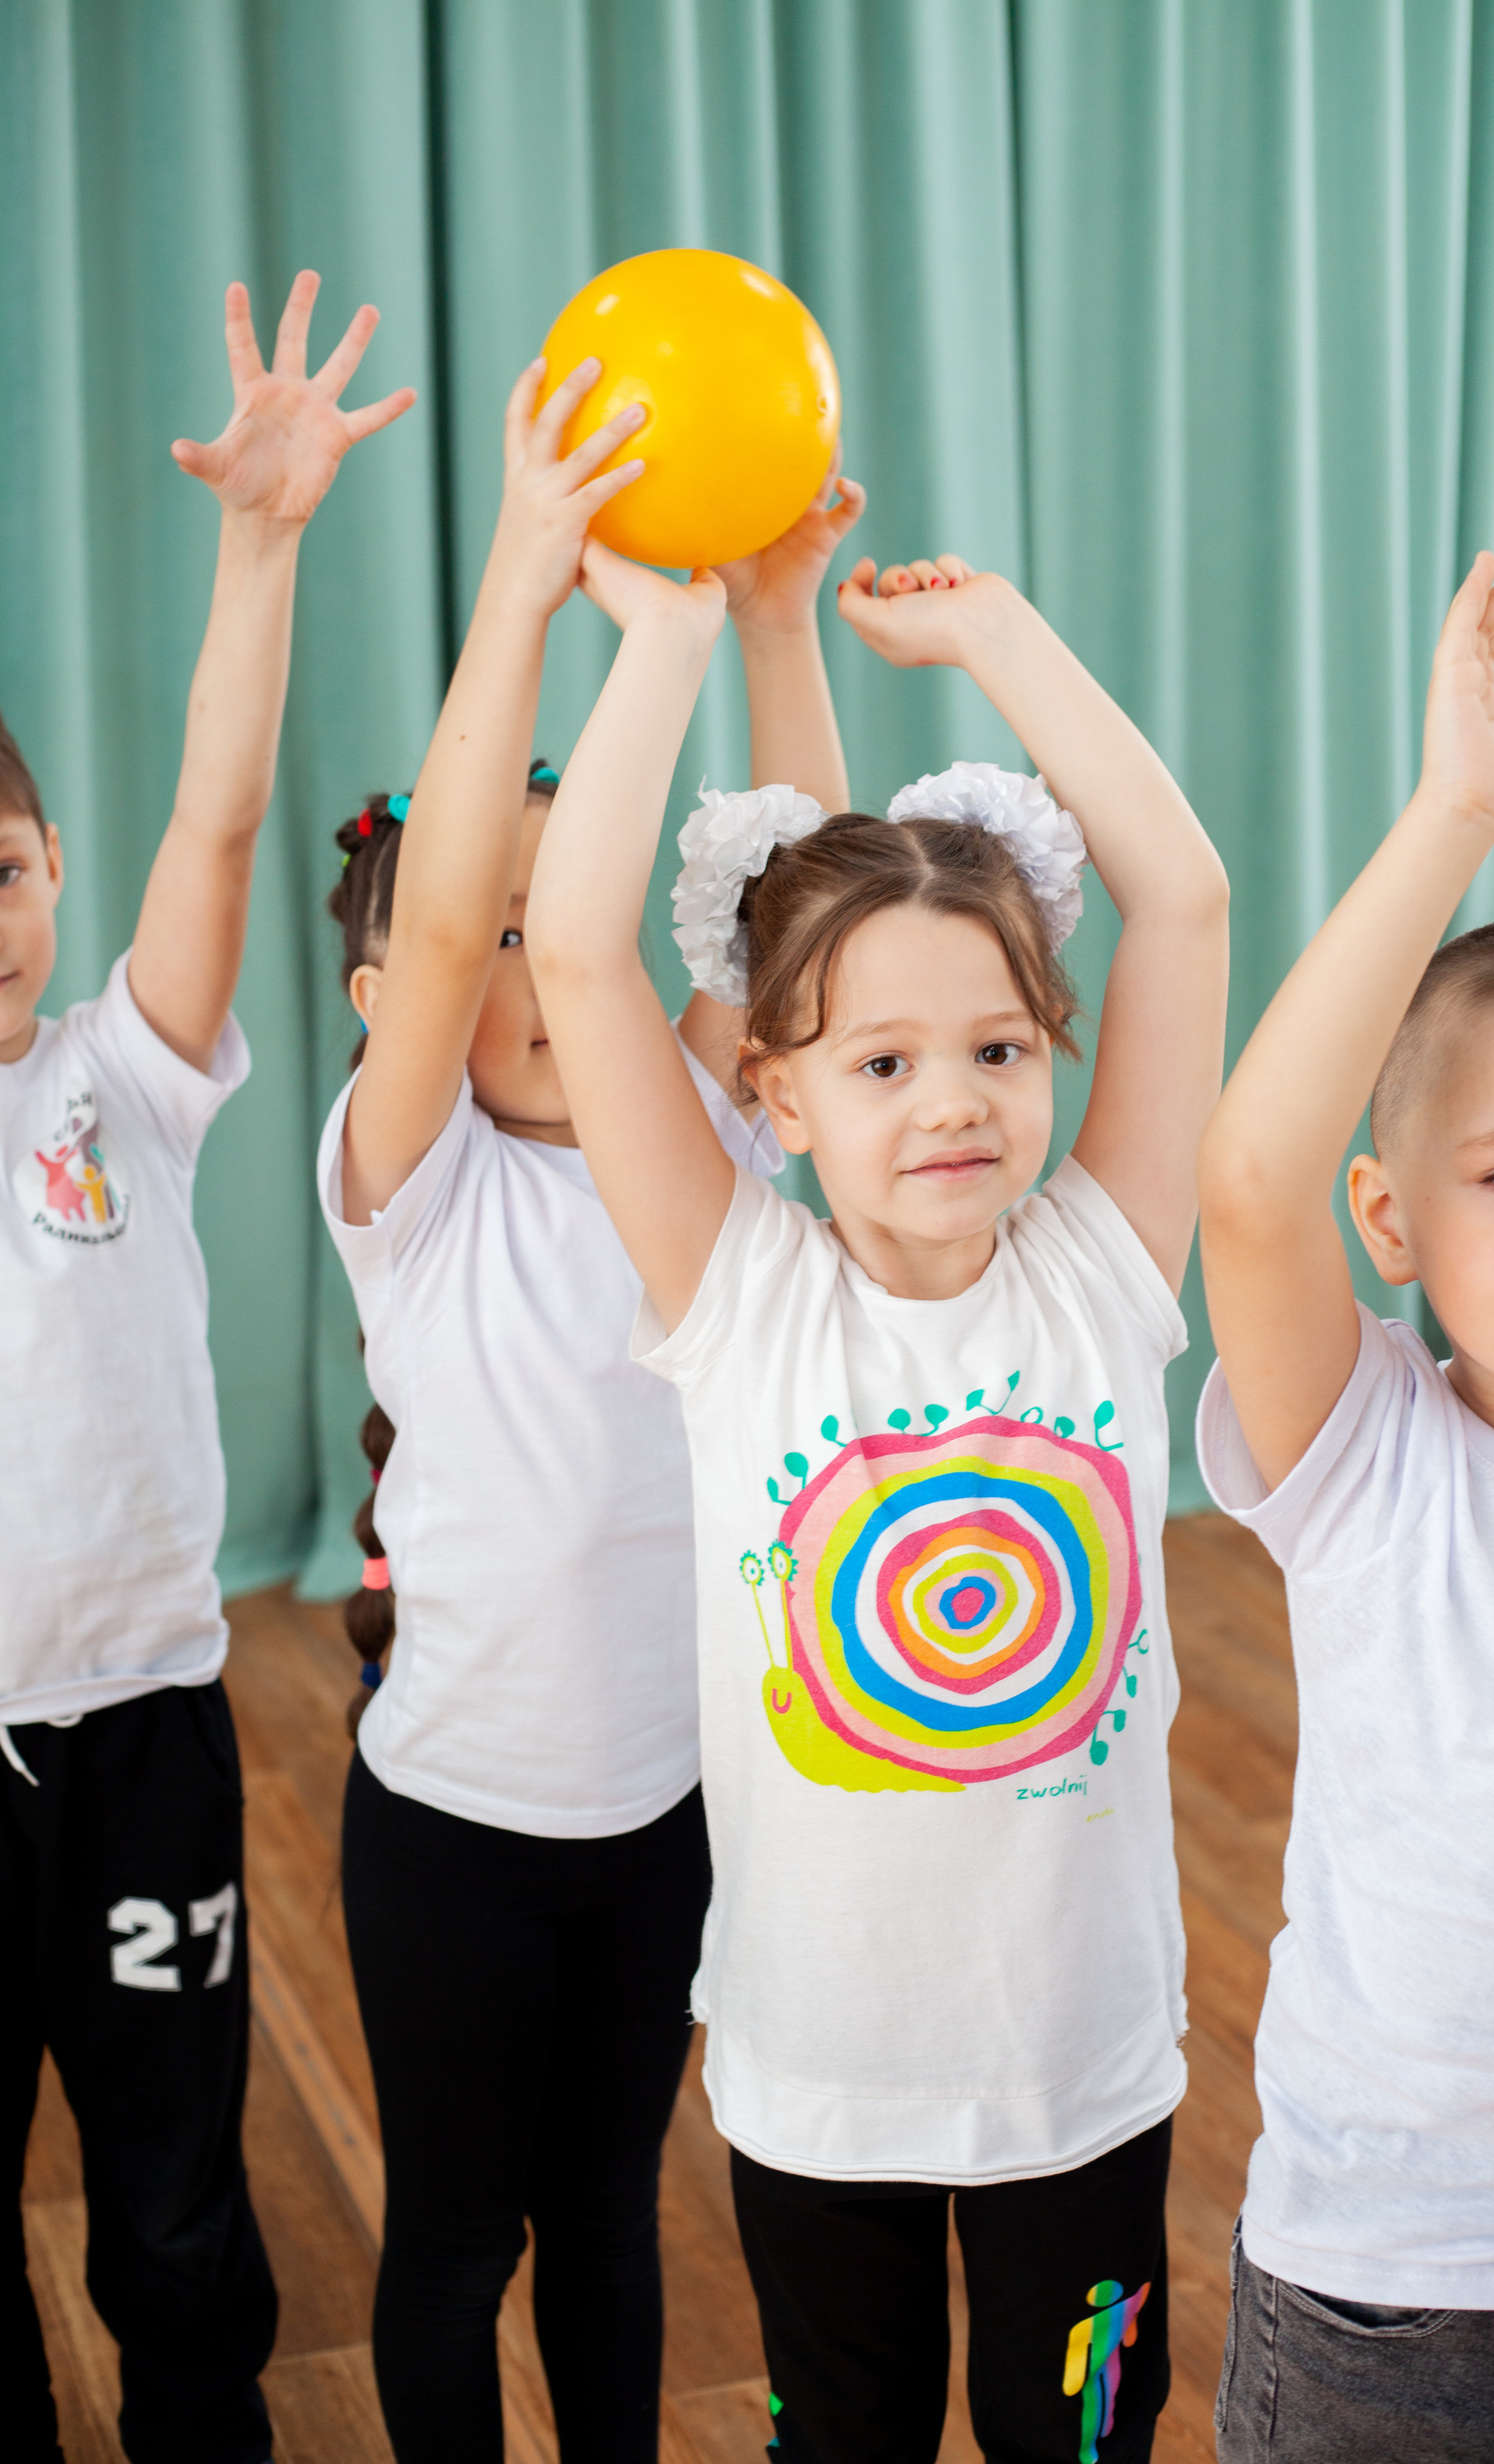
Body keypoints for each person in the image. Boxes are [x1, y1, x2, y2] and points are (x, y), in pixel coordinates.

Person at [525, 535, 1229, 2464]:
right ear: (774, 1091)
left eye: (1000, 1050)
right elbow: (578, 952)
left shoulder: (1103, 1267)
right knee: (842, 2435)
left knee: (1073, 2435)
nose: (953, 1103)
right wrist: (668, 643)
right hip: (816, 2080)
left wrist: (999, 634)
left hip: (1084, 2074)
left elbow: (1183, 900)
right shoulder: (736, 1296)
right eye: (885, 1059)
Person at [320, 350, 863, 2464]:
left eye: (588, 921)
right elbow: (457, 903)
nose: (552, 963)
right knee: (456, 2246)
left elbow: (818, 902)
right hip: (448, 1836)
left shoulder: (695, 1151)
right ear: (416, 1007)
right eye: (510, 943)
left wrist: (786, 622)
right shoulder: (416, 1185)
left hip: (669, 1818)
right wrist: (530, 592)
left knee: (613, 2225)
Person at [0, 273, 412, 2464]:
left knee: (171, 2180)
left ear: (51, 871)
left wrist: (261, 552)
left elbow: (222, 825)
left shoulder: (116, 1078)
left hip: (145, 1726)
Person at [1194, 551, 1494, 2462]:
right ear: (1395, 1225)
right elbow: (1246, 1179)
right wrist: (1455, 817)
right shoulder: (1367, 1451)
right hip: (1395, 2298)